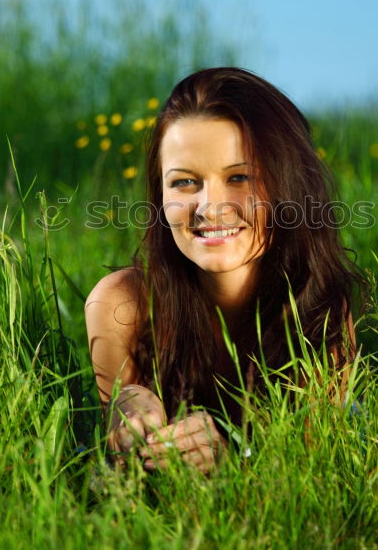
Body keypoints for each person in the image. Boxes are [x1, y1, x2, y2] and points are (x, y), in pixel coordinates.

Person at [85, 67, 362, 474]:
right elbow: (120, 480)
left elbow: (316, 464)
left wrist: (232, 457)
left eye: (240, 177)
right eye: (183, 183)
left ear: (289, 186)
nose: (209, 207)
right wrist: (128, 409)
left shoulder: (318, 302)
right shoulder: (119, 306)